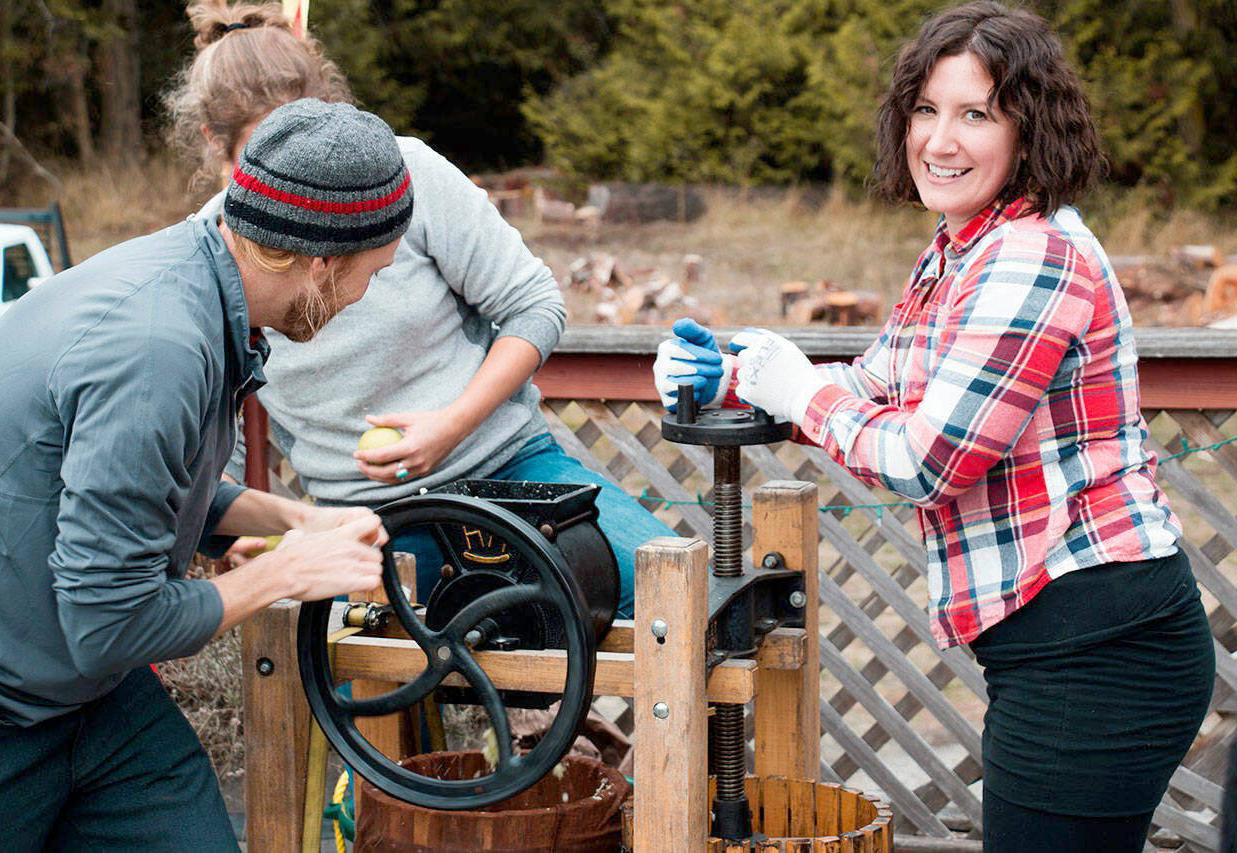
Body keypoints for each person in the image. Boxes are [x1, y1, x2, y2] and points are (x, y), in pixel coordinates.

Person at [654, 3, 1213, 849]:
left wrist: (798, 389)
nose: (940, 141)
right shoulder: (959, 246)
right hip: (1058, 641)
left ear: (1030, 133)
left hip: (1103, 647)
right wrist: (734, 374)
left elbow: (926, 457)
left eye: (975, 114)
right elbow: (877, 384)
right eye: (926, 110)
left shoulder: (1032, 255)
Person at [0, 98, 412, 851]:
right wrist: (278, 576)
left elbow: (139, 493)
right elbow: (108, 624)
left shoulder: (195, 277)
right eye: (374, 272)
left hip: (86, 693)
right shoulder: (158, 347)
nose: (366, 297)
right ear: (323, 261)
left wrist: (293, 520)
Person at [164, 0, 673, 616]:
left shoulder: (408, 174)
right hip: (366, 522)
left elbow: (533, 305)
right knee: (360, 696)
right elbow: (213, 438)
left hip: (510, 472)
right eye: (269, 161)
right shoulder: (205, 254)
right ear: (213, 144)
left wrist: (453, 423)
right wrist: (247, 523)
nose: (302, 190)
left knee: (674, 594)